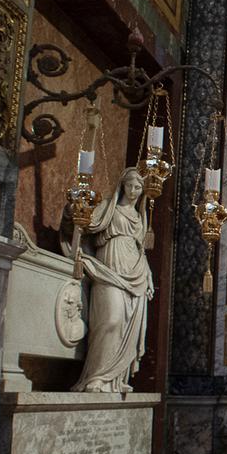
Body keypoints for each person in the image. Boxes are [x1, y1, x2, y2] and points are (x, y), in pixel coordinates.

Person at [65, 166, 155, 393]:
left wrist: (150, 276)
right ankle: (96, 377)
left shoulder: (139, 215)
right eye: (130, 186)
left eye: (138, 187)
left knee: (126, 326)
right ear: (122, 185)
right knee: (111, 320)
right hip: (109, 267)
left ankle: (115, 379)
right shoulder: (109, 206)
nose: (134, 191)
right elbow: (87, 223)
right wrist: (75, 211)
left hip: (136, 272)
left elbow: (141, 249)